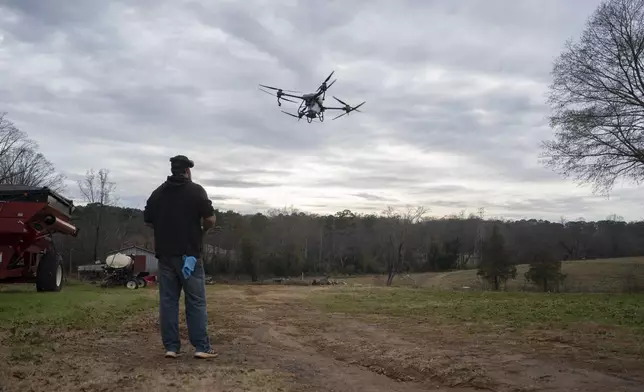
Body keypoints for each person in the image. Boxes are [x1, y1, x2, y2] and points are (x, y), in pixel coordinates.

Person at [143, 155, 218, 359]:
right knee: (195, 302)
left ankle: (171, 348)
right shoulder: (196, 191)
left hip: (165, 255)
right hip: (190, 256)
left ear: (172, 170)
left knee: (168, 302)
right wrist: (204, 228)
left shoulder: (157, 193)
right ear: (187, 171)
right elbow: (209, 218)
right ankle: (201, 347)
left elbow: (148, 221)